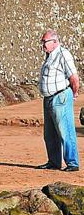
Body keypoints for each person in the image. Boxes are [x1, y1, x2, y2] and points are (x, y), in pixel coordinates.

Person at [37, 30, 80, 172]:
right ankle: (54, 161)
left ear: (55, 42)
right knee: (50, 134)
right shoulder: (49, 56)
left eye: (45, 42)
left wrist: (74, 93)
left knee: (65, 131)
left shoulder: (63, 54)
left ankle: (72, 162)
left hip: (60, 96)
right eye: (42, 42)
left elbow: (74, 77)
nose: (43, 45)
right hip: (49, 98)